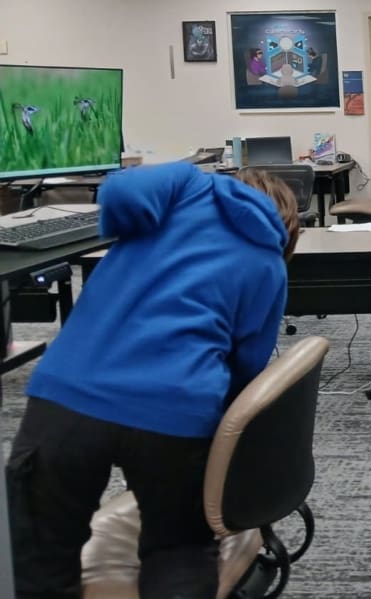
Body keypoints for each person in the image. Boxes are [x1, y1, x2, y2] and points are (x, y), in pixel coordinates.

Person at [7, 163, 300, 599]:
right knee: (178, 551)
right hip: (177, 414)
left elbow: (120, 192)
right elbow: (247, 370)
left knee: (39, 553)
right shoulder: (268, 267)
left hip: (68, 400)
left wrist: (129, 223)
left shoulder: (182, 192)